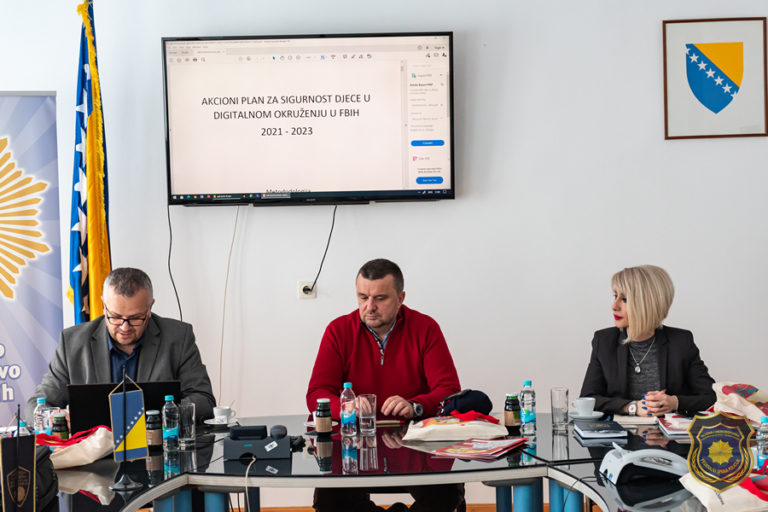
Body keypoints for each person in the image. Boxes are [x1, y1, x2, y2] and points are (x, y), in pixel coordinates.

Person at [306, 258, 464, 512]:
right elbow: (317, 393)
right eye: (362, 297)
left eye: (380, 298)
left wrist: (416, 405)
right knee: (328, 500)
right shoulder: (338, 331)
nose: (369, 307)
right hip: (352, 449)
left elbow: (450, 391)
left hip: (417, 447)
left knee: (447, 493)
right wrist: (345, 406)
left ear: (400, 298)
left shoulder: (425, 328)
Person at [26, 267, 216, 423]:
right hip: (94, 452)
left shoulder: (178, 337)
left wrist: (164, 414)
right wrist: (54, 417)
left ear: (150, 308)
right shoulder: (73, 343)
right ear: (103, 306)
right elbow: (35, 406)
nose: (125, 327)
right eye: (115, 317)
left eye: (136, 318)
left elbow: (204, 399)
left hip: (158, 448)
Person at [580, 265, 716, 418]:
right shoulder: (604, 341)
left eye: (624, 299)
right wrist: (631, 407)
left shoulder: (681, 342)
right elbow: (587, 399)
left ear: (647, 304)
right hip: (618, 432)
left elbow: (712, 397)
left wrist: (674, 402)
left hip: (666, 432)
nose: (614, 306)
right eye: (615, 296)